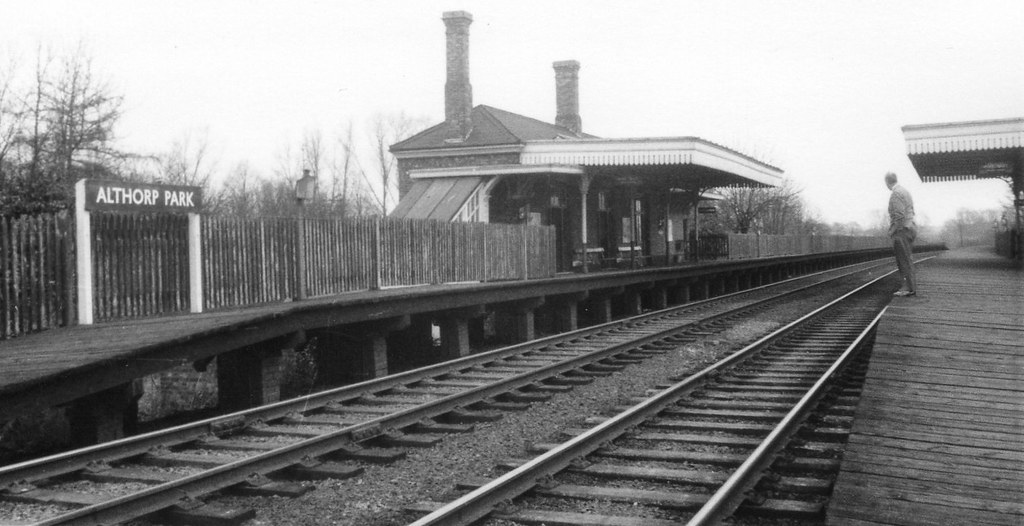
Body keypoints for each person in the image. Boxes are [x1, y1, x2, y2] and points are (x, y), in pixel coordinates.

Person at [885, 172, 917, 296]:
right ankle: (910, 287)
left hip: (902, 230)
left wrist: (892, 231)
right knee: (907, 259)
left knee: (903, 260)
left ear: (887, 182)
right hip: (910, 227)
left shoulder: (896, 194)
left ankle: (907, 288)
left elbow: (899, 215)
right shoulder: (905, 191)